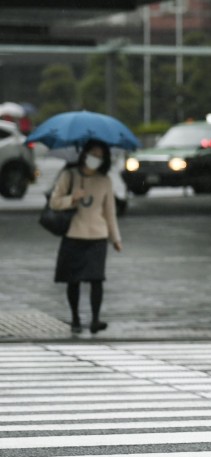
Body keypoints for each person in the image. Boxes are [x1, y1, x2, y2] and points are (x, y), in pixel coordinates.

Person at [50, 139, 123, 334]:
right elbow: (54, 203)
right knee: (73, 280)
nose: (96, 159)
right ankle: (75, 318)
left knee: (96, 279)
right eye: (93, 154)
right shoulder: (69, 176)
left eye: (100, 156)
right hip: (74, 234)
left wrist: (115, 239)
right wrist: (72, 198)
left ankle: (95, 319)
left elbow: (109, 213)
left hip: (97, 237)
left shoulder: (104, 180)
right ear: (84, 154)